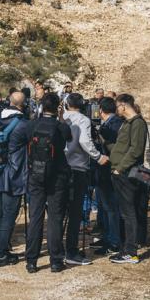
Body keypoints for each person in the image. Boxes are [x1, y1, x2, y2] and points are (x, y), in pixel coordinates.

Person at [24, 93, 72, 273]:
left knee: (35, 218)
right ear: (58, 107)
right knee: (55, 218)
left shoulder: (32, 125)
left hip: (35, 176)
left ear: (42, 107)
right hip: (57, 176)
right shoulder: (61, 127)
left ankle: (31, 261)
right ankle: (56, 261)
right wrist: (61, 118)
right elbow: (69, 137)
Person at [62, 93, 107, 266]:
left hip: (61, 167)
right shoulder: (83, 120)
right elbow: (84, 141)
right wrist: (98, 156)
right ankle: (71, 251)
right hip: (77, 167)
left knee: (59, 211)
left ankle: (56, 249)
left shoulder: (62, 117)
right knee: (75, 213)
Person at [0, 91, 28, 267]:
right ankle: (1, 254)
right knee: (9, 216)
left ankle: (1, 249)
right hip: (14, 174)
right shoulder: (23, 123)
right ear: (23, 104)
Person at [108, 94, 148, 264]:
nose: (116, 110)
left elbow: (136, 150)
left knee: (129, 212)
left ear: (123, 106)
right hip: (121, 172)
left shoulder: (138, 123)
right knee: (125, 212)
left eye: (117, 107)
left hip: (127, 173)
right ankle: (127, 249)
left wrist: (120, 168)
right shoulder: (127, 123)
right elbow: (122, 146)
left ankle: (131, 252)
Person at [94, 97, 122, 256]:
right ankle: (106, 237)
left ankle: (114, 241)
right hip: (101, 172)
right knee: (104, 207)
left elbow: (112, 147)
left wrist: (101, 136)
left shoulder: (115, 124)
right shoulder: (110, 123)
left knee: (111, 208)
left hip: (109, 170)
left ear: (101, 110)